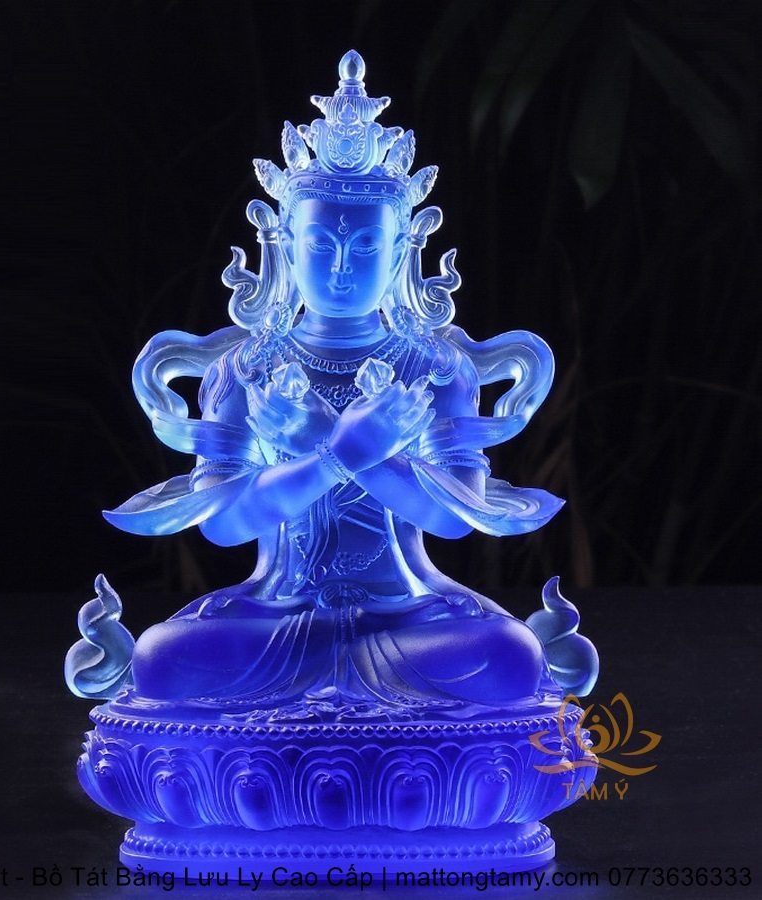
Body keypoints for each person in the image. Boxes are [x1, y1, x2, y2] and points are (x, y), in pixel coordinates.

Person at [79, 52, 596, 717]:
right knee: (163, 658)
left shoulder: (434, 368)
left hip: (408, 613)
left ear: (402, 250)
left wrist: (340, 447)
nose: (342, 267)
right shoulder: (247, 367)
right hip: (279, 612)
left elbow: (450, 518)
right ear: (285, 247)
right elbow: (228, 525)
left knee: (507, 656)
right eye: (321, 246)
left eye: (366, 248)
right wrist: (338, 455)